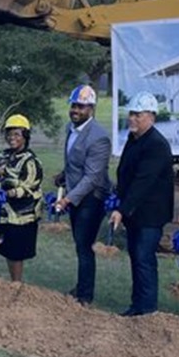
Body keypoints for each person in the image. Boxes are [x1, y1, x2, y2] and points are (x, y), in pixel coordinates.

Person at [110, 92, 174, 317]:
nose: (133, 119)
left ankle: (147, 309)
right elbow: (126, 173)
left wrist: (121, 209)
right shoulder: (133, 138)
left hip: (150, 215)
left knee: (143, 257)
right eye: (131, 114)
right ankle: (138, 305)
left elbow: (143, 182)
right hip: (135, 213)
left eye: (138, 115)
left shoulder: (156, 145)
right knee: (136, 257)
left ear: (151, 117)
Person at [53, 85, 113, 305]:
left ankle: (85, 295)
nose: (75, 110)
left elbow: (92, 177)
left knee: (85, 245)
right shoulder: (71, 127)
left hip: (91, 197)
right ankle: (81, 286)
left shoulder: (99, 138)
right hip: (77, 193)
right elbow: (75, 162)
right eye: (74, 105)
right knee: (79, 243)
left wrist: (68, 199)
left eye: (81, 106)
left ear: (91, 108)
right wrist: (63, 175)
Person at [0, 115, 43, 282]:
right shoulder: (3, 155)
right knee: (8, 251)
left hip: (22, 215)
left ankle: (16, 285)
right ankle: (13, 282)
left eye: (17, 134)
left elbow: (28, 188)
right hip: (5, 214)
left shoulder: (31, 161)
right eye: (10, 134)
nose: (12, 138)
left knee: (16, 253)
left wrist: (6, 190)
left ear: (25, 136)